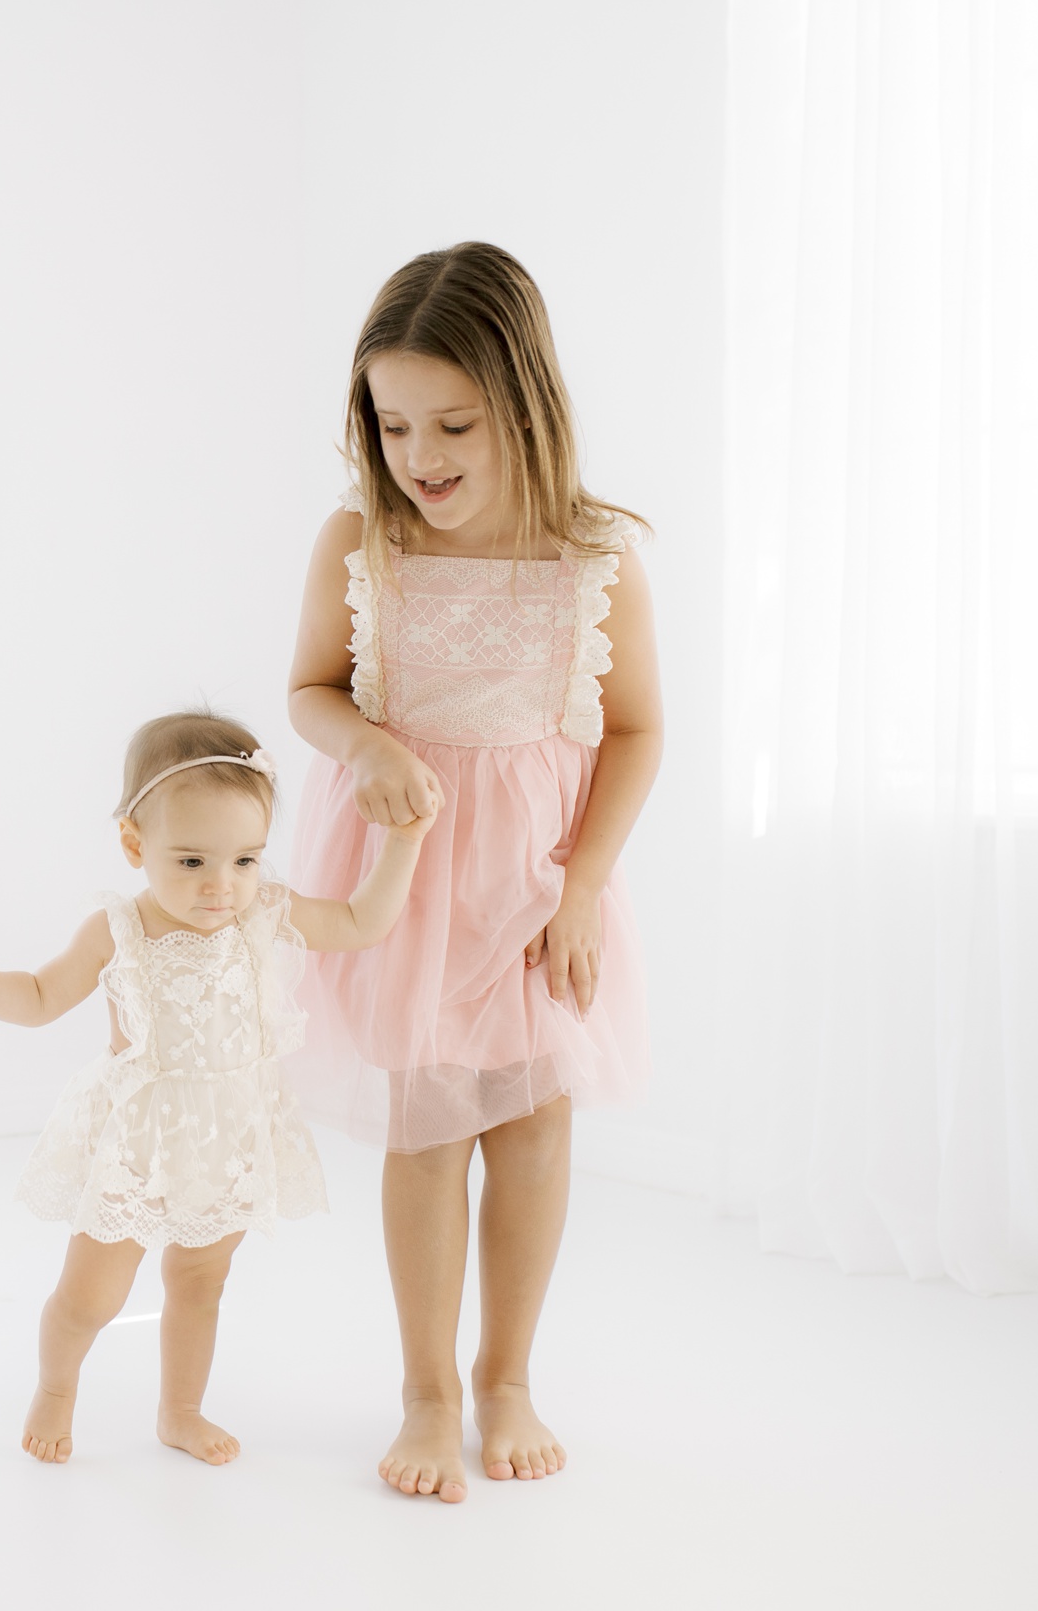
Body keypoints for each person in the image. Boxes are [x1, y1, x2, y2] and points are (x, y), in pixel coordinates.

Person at [286, 243, 661, 1501]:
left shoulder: (592, 556)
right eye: (393, 424)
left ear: (525, 406)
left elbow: (636, 728)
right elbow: (310, 692)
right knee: (428, 1127)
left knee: (537, 1120)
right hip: (411, 873)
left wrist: (586, 883)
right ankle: (426, 1387)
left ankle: (506, 1373)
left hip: (540, 882)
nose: (421, 454)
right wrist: (366, 742)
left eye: (453, 422)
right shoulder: (363, 539)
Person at [0, 710, 434, 1467]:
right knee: (92, 1291)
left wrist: (405, 840)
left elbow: (361, 920)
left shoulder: (264, 912)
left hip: (228, 1131)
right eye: (191, 861)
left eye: (245, 860)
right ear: (136, 843)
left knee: (201, 1279)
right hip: (138, 1137)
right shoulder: (121, 926)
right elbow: (34, 996)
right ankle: (57, 1385)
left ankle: (181, 1409)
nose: (221, 886)